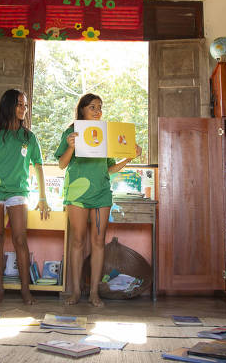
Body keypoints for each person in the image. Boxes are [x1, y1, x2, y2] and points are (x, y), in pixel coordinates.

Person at [55, 93, 142, 306]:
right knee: (77, 241)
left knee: (98, 242)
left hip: (102, 193)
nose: (97, 111)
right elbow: (62, 164)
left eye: (100, 107)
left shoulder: (105, 134)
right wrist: (71, 147)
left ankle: (94, 292)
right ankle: (76, 292)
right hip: (76, 194)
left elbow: (109, 168)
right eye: (92, 107)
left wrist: (128, 158)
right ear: (82, 109)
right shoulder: (71, 131)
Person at [0, 89, 49, 304]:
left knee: (20, 238)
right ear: (8, 106)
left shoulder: (29, 137)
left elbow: (39, 167)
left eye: (25, 105)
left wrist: (43, 198)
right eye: (19, 105)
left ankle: (25, 289)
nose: (23, 109)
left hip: (18, 191)